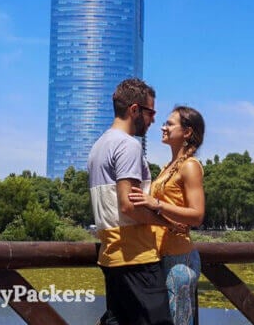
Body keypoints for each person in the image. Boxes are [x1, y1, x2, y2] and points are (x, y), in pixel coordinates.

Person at [87, 78, 174, 325]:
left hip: (112, 255)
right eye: (151, 112)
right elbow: (128, 205)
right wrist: (165, 221)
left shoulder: (98, 147)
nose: (154, 119)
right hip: (136, 257)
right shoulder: (128, 146)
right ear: (134, 109)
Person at [129, 106, 205, 325]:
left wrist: (157, 204)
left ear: (187, 132)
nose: (163, 127)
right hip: (160, 256)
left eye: (170, 124)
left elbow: (197, 215)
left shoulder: (190, 166)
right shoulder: (168, 168)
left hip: (179, 259)